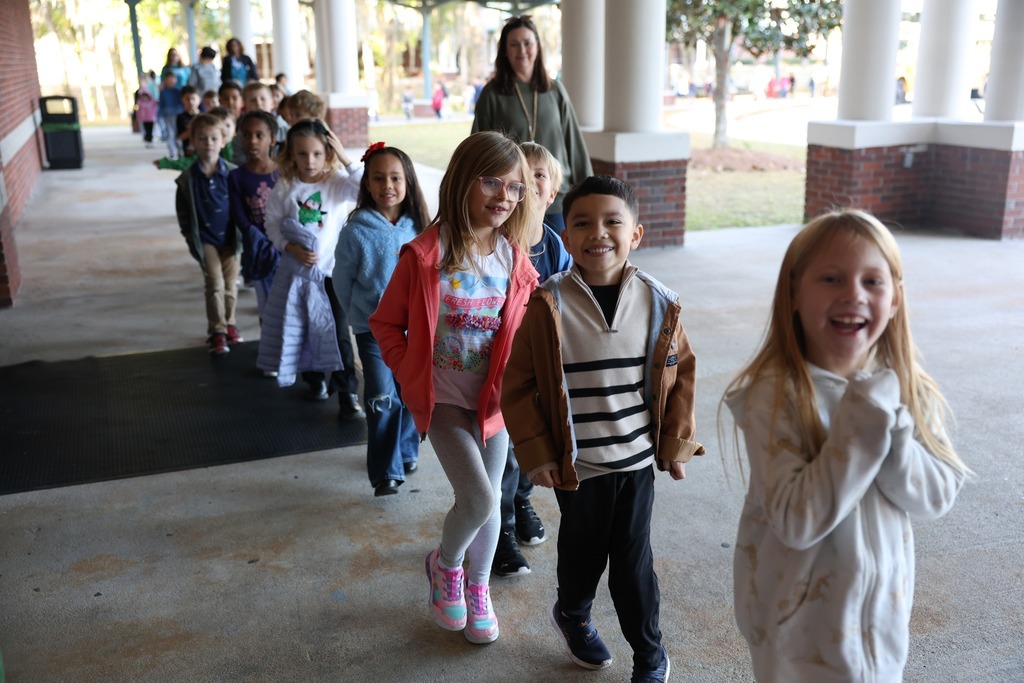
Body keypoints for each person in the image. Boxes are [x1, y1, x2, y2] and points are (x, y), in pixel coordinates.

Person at [722, 209, 969, 682]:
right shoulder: (774, 396)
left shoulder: (904, 388)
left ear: (895, 298)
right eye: (831, 278)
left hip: (881, 619)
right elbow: (797, 519)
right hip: (797, 631)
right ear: (794, 292)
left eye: (872, 281)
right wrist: (861, 422)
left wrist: (893, 431)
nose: (853, 294)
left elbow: (936, 494)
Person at [501, 175, 702, 683]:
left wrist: (675, 443)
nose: (599, 233)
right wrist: (537, 451)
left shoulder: (661, 301)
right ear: (564, 237)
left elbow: (682, 376)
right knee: (582, 555)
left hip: (634, 462)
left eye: (614, 221)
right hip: (579, 465)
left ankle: (650, 656)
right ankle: (572, 614)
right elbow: (519, 385)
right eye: (583, 223)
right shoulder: (548, 305)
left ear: (635, 233)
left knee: (634, 566)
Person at [368, 131, 539, 645]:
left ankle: (478, 586)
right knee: (479, 500)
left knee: (493, 505)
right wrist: (410, 372)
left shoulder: (515, 262)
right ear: (462, 180)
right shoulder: (424, 256)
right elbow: (384, 325)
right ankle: (446, 566)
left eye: (515, 189)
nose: (503, 197)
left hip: (494, 406)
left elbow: (523, 334)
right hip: (443, 402)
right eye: (491, 181)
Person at [492, 141, 572, 578]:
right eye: (523, 174)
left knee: (534, 445)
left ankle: (522, 501)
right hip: (501, 365)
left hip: (540, 363)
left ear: (551, 191)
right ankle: (501, 528)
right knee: (502, 455)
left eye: (540, 174)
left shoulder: (556, 246)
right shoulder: (498, 241)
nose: (532, 181)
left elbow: (567, 300)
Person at [332, 142, 431, 497]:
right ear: (367, 184)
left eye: (395, 178)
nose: (387, 185)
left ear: (408, 182)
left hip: (416, 330)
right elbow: (342, 283)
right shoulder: (356, 230)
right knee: (380, 395)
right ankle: (385, 472)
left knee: (410, 393)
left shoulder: (420, 227)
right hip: (373, 331)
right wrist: (361, 317)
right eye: (378, 178)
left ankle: (406, 450)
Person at [259, 119, 365, 419]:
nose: (310, 160)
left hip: (333, 275)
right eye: (302, 153)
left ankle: (347, 392)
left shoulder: (336, 182)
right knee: (304, 327)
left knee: (337, 332)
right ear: (291, 154)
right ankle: (315, 380)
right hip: (299, 274)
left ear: (327, 153)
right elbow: (272, 224)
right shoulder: (285, 187)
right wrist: (288, 247)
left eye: (317, 153)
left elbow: (364, 188)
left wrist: (345, 157)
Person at [472, 15, 592, 232]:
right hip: (511, 198)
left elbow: (573, 142)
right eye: (514, 44)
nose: (522, 50)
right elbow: (478, 149)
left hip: (556, 198)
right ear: (505, 51)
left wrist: (589, 191)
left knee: (556, 261)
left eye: (528, 43)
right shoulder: (492, 94)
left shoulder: (555, 90)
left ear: (537, 47)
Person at [174, 114, 242, 355]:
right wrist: (191, 239)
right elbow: (183, 214)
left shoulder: (234, 174)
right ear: (193, 141)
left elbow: (242, 207)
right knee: (214, 283)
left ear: (223, 140)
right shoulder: (187, 180)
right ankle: (217, 331)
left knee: (230, 284)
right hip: (207, 240)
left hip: (232, 239)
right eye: (202, 138)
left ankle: (230, 323)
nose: (208, 143)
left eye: (214, 138)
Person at [228, 110, 281, 320]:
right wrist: (259, 240)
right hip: (258, 251)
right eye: (247, 135)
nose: (252, 141)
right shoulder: (236, 176)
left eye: (260, 135)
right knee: (267, 305)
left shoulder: (284, 173)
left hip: (287, 249)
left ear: (273, 139)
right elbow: (239, 215)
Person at [154, 106, 236, 171]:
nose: (225, 130)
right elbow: (190, 162)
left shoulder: (241, 145)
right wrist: (166, 163)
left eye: (228, 125)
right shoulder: (210, 146)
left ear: (235, 127)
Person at [158, 48, 190, 159]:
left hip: (179, 110)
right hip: (168, 113)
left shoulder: (184, 69)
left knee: (180, 132)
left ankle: (181, 151)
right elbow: (161, 102)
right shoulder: (165, 69)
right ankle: (172, 152)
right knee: (171, 133)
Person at [176, 85, 201, 157]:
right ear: (182, 99)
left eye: (193, 99)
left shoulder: (204, 116)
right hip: (187, 152)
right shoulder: (181, 117)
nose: (191, 102)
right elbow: (180, 137)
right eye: (187, 99)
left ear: (199, 99)